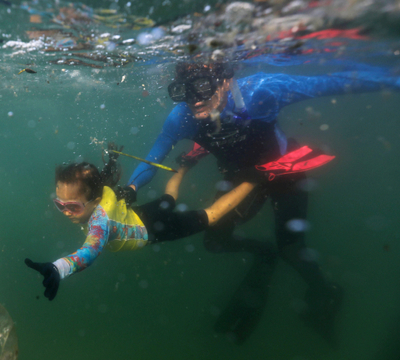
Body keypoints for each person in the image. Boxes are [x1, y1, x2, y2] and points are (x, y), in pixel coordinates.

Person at [124, 61, 400, 344]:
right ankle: (263, 253)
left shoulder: (263, 91)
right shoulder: (181, 117)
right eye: (183, 91)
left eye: (204, 87)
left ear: (225, 81)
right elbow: (155, 154)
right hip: (241, 180)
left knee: (291, 250)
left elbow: (331, 82)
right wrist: (131, 187)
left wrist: (393, 78)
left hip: (283, 173)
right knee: (215, 241)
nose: (194, 99)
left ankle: (326, 291)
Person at [25, 145, 255, 302]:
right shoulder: (99, 191)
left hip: (152, 230)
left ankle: (256, 178)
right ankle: (187, 162)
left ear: (95, 202)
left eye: (72, 206)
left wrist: (59, 267)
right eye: (60, 204)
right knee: (169, 199)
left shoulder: (100, 222)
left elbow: (90, 251)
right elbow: (101, 181)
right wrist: (111, 162)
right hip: (138, 215)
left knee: (211, 216)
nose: (66, 212)